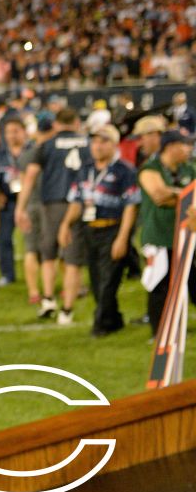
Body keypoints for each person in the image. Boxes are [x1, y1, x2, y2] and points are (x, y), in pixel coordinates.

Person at [56, 125, 140, 336]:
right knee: (96, 280)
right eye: (95, 141)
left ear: (114, 144)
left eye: (103, 141)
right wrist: (65, 224)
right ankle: (114, 319)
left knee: (108, 280)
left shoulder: (125, 171)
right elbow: (76, 201)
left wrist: (123, 237)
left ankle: (100, 325)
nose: (98, 146)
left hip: (113, 228)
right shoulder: (85, 170)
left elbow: (131, 206)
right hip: (89, 230)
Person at [17, 107, 89, 324]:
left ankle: (48, 298)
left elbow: (29, 177)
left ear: (56, 124)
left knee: (48, 255)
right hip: (80, 203)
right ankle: (67, 310)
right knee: (72, 259)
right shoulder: (88, 143)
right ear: (76, 122)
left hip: (53, 204)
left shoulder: (46, 145)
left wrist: (20, 207)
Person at [137, 130, 196, 338]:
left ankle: (178, 328)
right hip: (159, 236)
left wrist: (175, 195)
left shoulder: (189, 169)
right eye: (184, 145)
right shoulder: (150, 168)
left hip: (188, 237)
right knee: (161, 285)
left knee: (192, 282)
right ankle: (159, 332)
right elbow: (159, 196)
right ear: (171, 146)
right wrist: (187, 196)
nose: (189, 149)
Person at [17, 114, 54, 305]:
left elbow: (24, 184)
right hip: (52, 205)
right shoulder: (55, 150)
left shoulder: (26, 154)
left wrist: (20, 208)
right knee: (57, 249)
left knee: (31, 249)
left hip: (31, 203)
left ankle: (34, 292)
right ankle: (66, 288)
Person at [0, 116, 30, 287]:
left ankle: (36, 271)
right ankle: (7, 275)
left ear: (24, 132)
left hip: (30, 201)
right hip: (8, 201)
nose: (12, 136)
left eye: (16, 131)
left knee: (34, 239)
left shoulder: (33, 151)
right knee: (4, 238)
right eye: (8, 132)